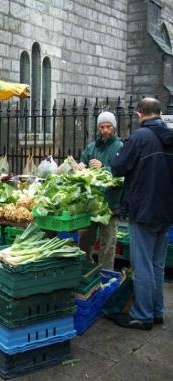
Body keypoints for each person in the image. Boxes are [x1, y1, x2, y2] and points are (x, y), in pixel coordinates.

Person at [111, 97, 173, 330]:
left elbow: (118, 168)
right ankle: (157, 311)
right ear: (159, 113)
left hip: (144, 209)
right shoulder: (169, 138)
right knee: (157, 263)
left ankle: (143, 315)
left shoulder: (140, 137)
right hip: (166, 211)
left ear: (140, 114)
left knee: (143, 264)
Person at [78, 112, 123, 270]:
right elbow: (82, 162)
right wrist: (81, 166)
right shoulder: (92, 146)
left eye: (108, 127)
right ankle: (84, 270)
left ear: (114, 127)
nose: (105, 130)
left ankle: (106, 275)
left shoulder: (120, 146)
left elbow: (122, 171)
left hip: (111, 204)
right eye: (102, 127)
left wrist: (104, 168)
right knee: (85, 241)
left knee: (108, 243)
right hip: (91, 203)